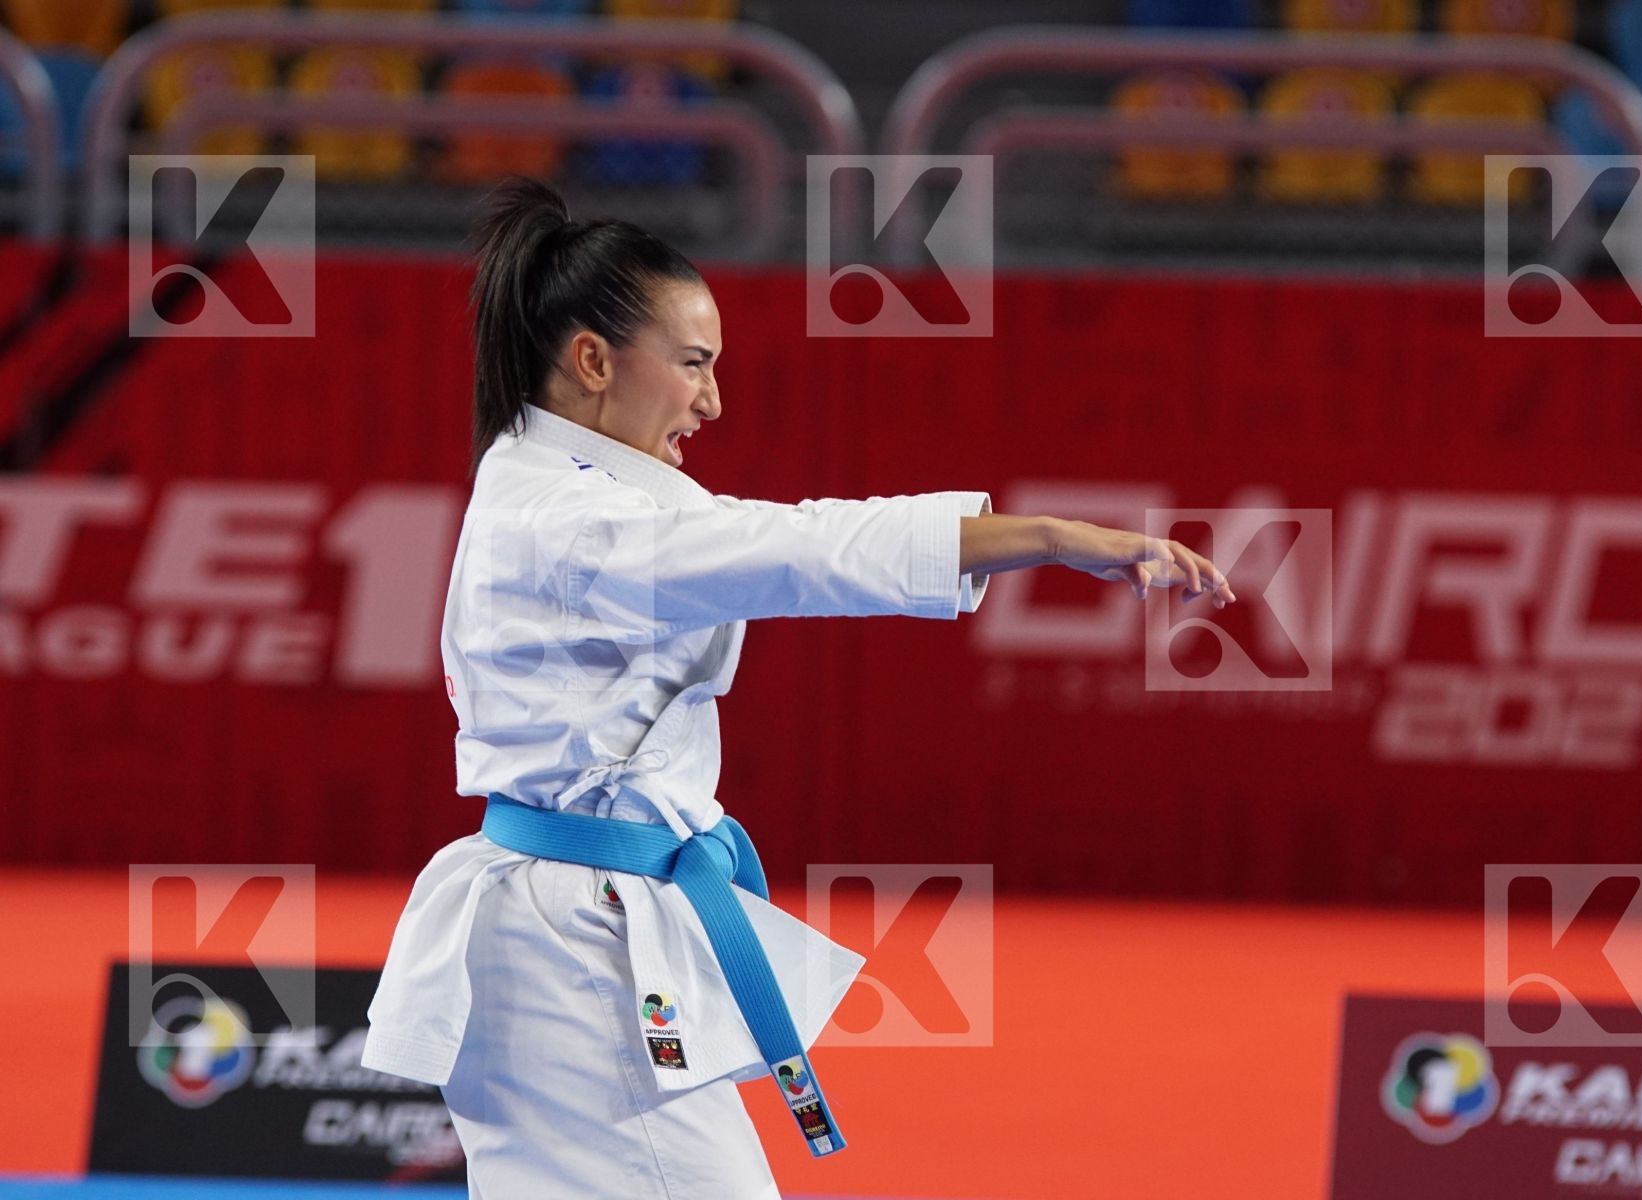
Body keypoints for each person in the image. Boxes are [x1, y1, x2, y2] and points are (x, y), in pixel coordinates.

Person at [361, 177, 1235, 1199]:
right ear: (593, 361)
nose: (712, 402)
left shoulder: (555, 490)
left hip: (564, 930)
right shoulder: (576, 524)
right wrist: (1045, 535)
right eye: (693, 364)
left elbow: (779, 541)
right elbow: (807, 548)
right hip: (576, 950)